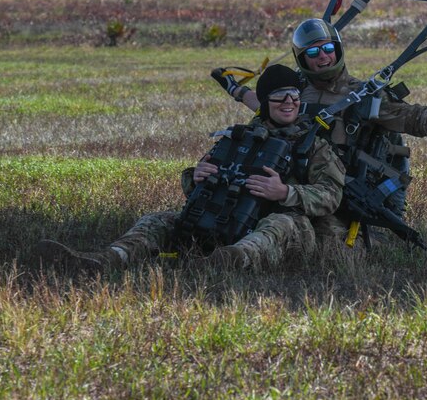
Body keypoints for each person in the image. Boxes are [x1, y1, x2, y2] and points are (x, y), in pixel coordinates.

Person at [36, 64, 345, 273]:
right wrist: (196, 176)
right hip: (227, 218)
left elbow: (332, 195)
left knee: (280, 224)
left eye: (294, 96)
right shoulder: (239, 137)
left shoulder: (313, 144)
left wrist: (286, 192)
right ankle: (105, 260)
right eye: (280, 97)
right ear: (265, 102)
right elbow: (198, 184)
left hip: (290, 228)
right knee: (158, 220)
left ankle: (223, 264)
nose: (289, 103)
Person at [212, 18, 427, 244]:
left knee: (329, 245)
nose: (322, 56)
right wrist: (235, 89)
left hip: (339, 193)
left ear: (338, 49)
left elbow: (415, 119)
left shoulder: (362, 96)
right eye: (312, 52)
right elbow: (265, 106)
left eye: (327, 48)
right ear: (302, 59)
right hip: (297, 183)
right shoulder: (296, 92)